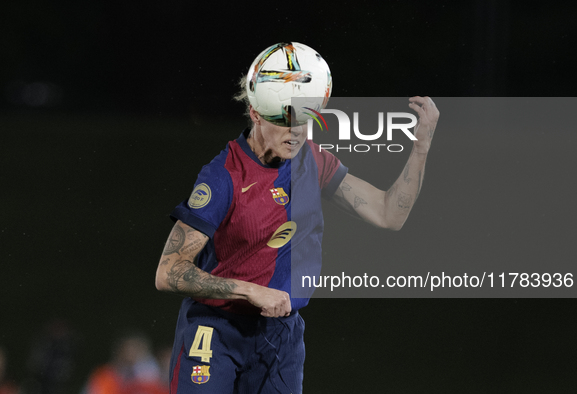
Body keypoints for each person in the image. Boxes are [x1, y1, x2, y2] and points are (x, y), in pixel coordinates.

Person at [155, 42, 439, 393]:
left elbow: (388, 214)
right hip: (214, 331)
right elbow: (169, 271)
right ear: (255, 114)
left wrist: (421, 147)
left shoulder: (314, 161)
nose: (296, 132)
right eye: (283, 120)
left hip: (280, 337)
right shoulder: (223, 176)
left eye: (305, 118)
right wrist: (251, 291)